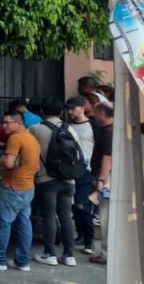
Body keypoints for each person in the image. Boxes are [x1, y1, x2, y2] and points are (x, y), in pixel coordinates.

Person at [0, 109, 41, 272]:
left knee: (1, 223)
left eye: (7, 122)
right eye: (3, 122)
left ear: (19, 123)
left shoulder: (15, 138)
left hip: (13, 186)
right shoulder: (32, 139)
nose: (3, 125)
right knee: (24, 224)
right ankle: (23, 261)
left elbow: (9, 162)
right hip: (28, 187)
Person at [30, 98, 77, 267]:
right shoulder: (71, 129)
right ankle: (69, 255)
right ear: (61, 111)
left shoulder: (36, 129)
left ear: (42, 111)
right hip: (68, 179)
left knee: (49, 215)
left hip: (46, 178)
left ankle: (50, 253)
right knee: (66, 215)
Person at [65, 96, 97, 255]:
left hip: (88, 171)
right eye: (68, 109)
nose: (70, 112)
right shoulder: (68, 127)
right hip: (71, 171)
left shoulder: (93, 126)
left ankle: (89, 238)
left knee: (83, 205)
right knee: (74, 205)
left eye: (73, 108)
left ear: (82, 107)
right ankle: (81, 235)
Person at [90, 102, 113, 265]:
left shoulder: (108, 132)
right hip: (109, 176)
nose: (94, 116)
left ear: (102, 114)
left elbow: (107, 157)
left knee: (106, 216)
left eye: (96, 113)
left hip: (108, 177)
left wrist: (101, 179)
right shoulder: (112, 131)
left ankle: (105, 254)